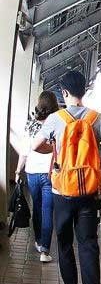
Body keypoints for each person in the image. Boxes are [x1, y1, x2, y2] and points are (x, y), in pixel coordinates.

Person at [32, 70, 101, 284]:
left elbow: (36, 146)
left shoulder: (55, 119)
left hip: (61, 192)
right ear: (84, 91)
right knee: (89, 244)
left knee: (65, 242)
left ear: (64, 92)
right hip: (89, 192)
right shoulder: (96, 118)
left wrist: (54, 147)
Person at [15, 91, 60, 262]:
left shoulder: (30, 125)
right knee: (48, 210)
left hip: (32, 173)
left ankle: (38, 241)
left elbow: (24, 152)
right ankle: (45, 251)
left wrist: (18, 171)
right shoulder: (57, 124)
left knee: (37, 208)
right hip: (50, 173)